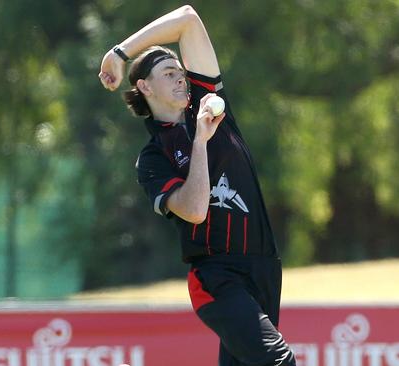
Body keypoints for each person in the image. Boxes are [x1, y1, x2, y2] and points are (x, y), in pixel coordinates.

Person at [98, 5, 296, 366]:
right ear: (144, 87)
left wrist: (119, 52)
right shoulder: (153, 157)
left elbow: (188, 18)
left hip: (264, 266)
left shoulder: (208, 105)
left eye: (180, 72)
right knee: (278, 362)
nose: (180, 77)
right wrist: (200, 143)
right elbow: (193, 209)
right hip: (217, 277)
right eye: (169, 72)